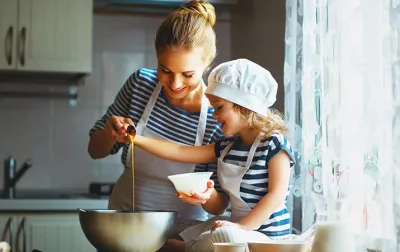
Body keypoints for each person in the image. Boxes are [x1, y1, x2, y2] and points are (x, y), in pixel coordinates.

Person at [87, 0, 225, 245]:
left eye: (188, 74)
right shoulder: (141, 84)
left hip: (182, 234)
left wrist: (207, 195)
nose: (174, 84)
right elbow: (94, 151)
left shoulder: (218, 114)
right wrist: (110, 133)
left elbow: (220, 204)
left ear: (208, 63)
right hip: (124, 223)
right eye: (165, 70)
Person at [132, 58, 296, 252]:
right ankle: (194, 245)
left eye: (219, 107)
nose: (214, 115)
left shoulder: (274, 144)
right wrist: (135, 138)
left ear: (244, 106)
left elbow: (276, 195)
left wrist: (242, 227)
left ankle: (189, 248)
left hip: (269, 238)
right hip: (238, 231)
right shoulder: (227, 146)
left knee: (226, 235)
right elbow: (179, 151)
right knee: (206, 227)